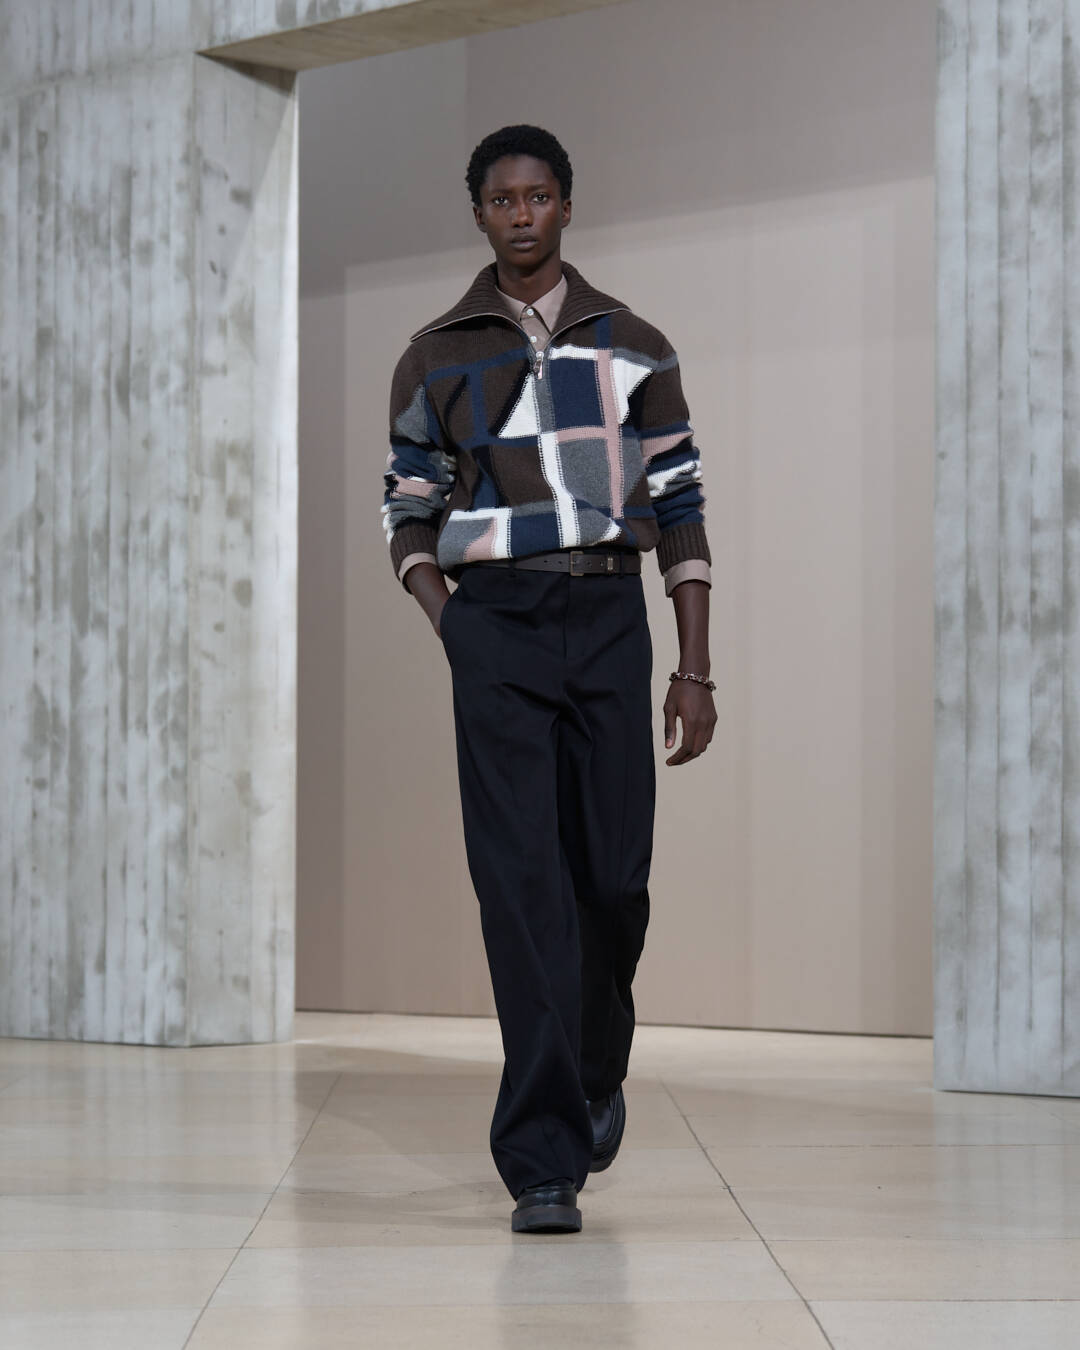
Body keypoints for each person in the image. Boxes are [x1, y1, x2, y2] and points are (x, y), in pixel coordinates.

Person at [382, 124, 715, 1234]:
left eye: (538, 197)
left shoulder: (636, 345)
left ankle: (593, 1067)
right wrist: (457, 628)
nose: (520, 215)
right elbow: (407, 506)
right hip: (499, 624)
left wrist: (696, 667)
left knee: (613, 881)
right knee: (520, 887)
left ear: (567, 205)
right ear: (478, 213)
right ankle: (541, 1162)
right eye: (501, 200)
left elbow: (680, 502)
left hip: (611, 617)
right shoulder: (435, 354)